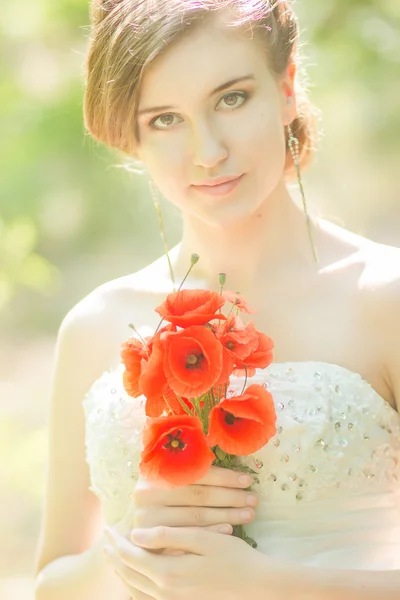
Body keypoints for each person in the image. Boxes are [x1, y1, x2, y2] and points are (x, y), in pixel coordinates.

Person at [34, 1, 400, 599]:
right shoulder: (94, 326)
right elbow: (50, 585)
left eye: (231, 98)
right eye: (165, 120)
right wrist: (128, 540)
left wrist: (268, 585)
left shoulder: (385, 298)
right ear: (133, 136)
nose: (207, 151)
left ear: (286, 90)